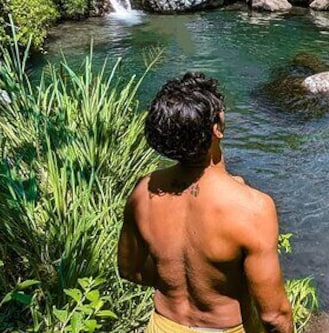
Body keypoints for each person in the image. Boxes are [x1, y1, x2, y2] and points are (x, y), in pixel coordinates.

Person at [118, 73, 293, 333]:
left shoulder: (144, 192)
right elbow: (274, 316)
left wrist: (174, 279)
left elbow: (129, 269)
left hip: (164, 325)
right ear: (217, 128)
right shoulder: (252, 208)